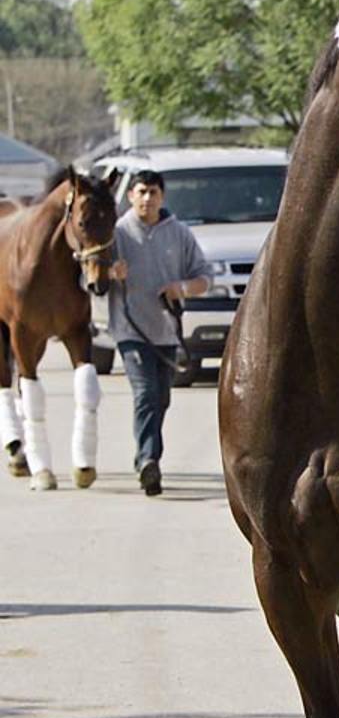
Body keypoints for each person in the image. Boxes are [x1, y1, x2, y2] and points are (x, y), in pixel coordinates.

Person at [109, 170, 211, 496]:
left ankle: (146, 456)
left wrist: (182, 288)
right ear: (130, 196)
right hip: (130, 330)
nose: (147, 198)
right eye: (141, 192)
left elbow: (205, 277)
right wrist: (111, 273)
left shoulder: (179, 233)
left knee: (162, 399)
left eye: (153, 192)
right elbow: (89, 277)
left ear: (162, 197)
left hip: (166, 332)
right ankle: (148, 461)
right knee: (146, 393)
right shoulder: (116, 233)